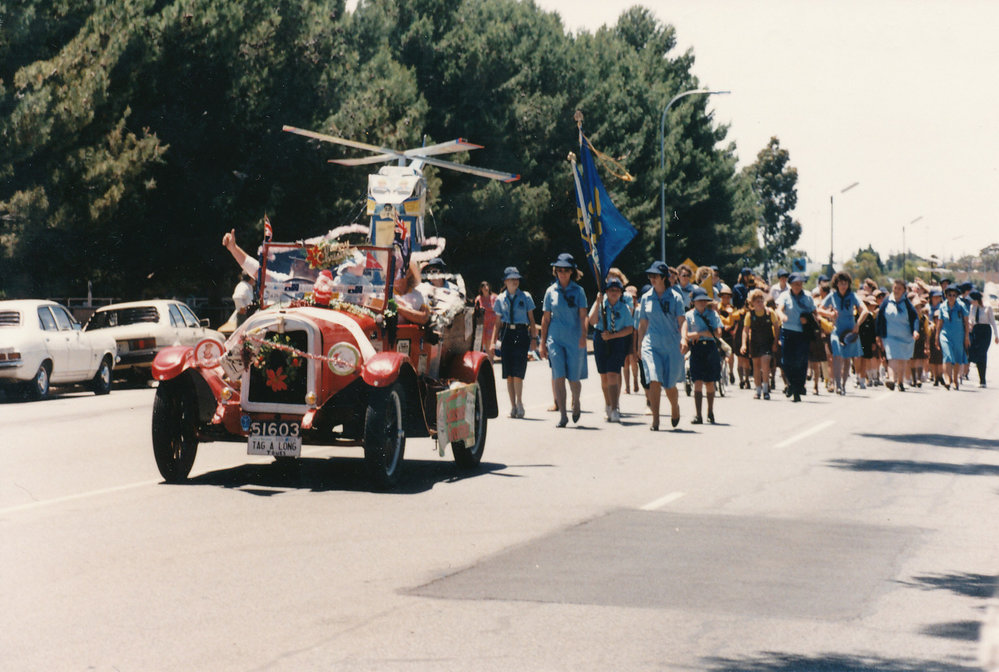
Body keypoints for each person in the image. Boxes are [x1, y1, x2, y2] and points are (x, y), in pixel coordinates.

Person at [636, 261, 686, 430]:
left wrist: (684, 338)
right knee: (654, 380)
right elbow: (642, 324)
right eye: (650, 276)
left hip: (672, 345)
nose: (652, 279)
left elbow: (682, 321)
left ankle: (674, 407)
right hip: (652, 344)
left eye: (655, 276)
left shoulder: (676, 297)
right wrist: (639, 345)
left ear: (664, 278)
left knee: (669, 385)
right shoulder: (646, 297)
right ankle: (656, 420)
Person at [540, 253, 588, 427]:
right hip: (555, 338)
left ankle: (576, 401)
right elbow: (545, 318)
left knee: (574, 379)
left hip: (574, 338)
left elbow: (584, 316)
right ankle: (563, 415)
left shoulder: (579, 291)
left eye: (566, 270)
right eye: (559, 270)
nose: (562, 273)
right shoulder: (550, 291)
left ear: (572, 272)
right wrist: (542, 342)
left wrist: (583, 335)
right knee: (558, 375)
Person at [588, 277, 634, 422]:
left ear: (621, 293)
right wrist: (597, 302)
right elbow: (592, 321)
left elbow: (629, 329)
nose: (614, 293)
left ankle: (615, 408)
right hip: (601, 338)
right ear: (606, 291)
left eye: (617, 290)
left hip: (617, 340)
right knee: (604, 376)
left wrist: (614, 336)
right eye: (611, 290)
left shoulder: (624, 308)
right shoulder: (601, 305)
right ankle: (607, 404)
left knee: (613, 373)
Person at [494, 267, 537, 418]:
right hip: (506, 334)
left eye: (516, 279)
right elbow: (497, 323)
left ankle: (520, 402)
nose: (515, 282)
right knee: (509, 373)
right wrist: (494, 343)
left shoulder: (525, 297)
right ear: (505, 281)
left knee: (518, 370)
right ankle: (512, 406)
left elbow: (531, 320)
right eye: (511, 279)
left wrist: (533, 338)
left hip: (520, 333)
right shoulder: (500, 298)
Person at [818, 271, 869, 395]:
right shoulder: (832, 296)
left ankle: (844, 385)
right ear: (836, 284)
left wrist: (858, 324)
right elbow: (819, 309)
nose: (843, 285)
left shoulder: (852, 296)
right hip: (837, 330)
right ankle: (837, 384)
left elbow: (865, 311)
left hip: (850, 331)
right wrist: (829, 314)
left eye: (845, 283)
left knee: (847, 359)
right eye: (841, 283)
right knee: (836, 355)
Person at [684, 286, 723, 424]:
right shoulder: (688, 316)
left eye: (704, 300)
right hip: (696, 348)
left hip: (710, 348)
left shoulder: (713, 314)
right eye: (698, 300)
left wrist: (699, 333)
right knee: (697, 382)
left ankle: (710, 412)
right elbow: (685, 334)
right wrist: (695, 335)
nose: (702, 303)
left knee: (710, 382)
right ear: (693, 301)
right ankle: (698, 415)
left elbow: (718, 333)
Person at [775, 273, 815, 402]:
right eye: (796, 284)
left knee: (801, 361)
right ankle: (791, 384)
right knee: (786, 361)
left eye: (800, 284)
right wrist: (782, 316)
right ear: (790, 284)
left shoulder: (807, 297)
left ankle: (798, 387)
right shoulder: (784, 296)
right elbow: (779, 309)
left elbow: (814, 312)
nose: (798, 286)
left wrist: (809, 320)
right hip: (788, 331)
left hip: (802, 332)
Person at [875, 279, 919, 391]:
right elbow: (879, 318)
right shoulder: (886, 301)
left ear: (904, 290)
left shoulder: (907, 303)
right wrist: (878, 335)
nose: (896, 290)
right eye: (895, 288)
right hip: (890, 336)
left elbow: (915, 318)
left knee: (902, 359)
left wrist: (915, 330)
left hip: (905, 336)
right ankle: (891, 379)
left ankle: (900, 382)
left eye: (899, 288)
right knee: (892, 357)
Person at [741, 288, 780, 399]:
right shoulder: (750, 315)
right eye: (757, 301)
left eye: (761, 300)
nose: (760, 303)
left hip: (767, 342)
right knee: (756, 366)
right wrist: (744, 344)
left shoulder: (770, 313)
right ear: (752, 303)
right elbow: (745, 330)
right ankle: (758, 390)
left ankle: (766, 390)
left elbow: (776, 327)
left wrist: (775, 342)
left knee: (765, 363)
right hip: (754, 342)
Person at [936, 285, 969, 390]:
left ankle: (955, 380)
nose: (952, 297)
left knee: (958, 358)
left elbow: (966, 322)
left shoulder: (961, 306)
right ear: (946, 295)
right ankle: (947, 379)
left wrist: (967, 337)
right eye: (949, 295)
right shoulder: (942, 306)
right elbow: (940, 323)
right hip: (945, 334)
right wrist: (937, 336)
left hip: (958, 335)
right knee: (947, 356)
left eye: (954, 295)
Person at [967, 290, 998, 387]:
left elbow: (992, 322)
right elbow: (970, 319)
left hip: (985, 331)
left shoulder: (987, 307)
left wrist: (996, 335)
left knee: (982, 353)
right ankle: (980, 378)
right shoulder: (972, 307)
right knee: (975, 353)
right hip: (976, 331)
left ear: (977, 299)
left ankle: (983, 380)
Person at [393, 261, 430, 325]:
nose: (394, 273)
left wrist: (397, 307)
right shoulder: (383, 294)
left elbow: (424, 318)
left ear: (408, 273)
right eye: (392, 270)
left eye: (397, 269)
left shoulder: (421, 295)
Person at [623, 285, 640, 394]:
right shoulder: (624, 307)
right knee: (625, 362)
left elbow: (636, 329)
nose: (632, 299)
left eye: (634, 297)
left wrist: (635, 347)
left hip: (635, 335)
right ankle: (627, 386)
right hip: (625, 335)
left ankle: (635, 381)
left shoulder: (638, 309)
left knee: (634, 360)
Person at [474, 281, 498, 361]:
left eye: (487, 285)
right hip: (482, 325)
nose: (485, 287)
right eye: (483, 286)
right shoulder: (478, 299)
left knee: (490, 346)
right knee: (484, 347)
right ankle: (489, 363)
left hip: (492, 325)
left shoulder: (494, 298)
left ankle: (491, 362)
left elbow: (498, 310)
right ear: (481, 288)